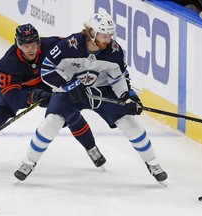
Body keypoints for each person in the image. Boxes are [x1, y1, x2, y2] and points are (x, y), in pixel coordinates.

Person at [14, 12, 168, 184]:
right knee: (52, 121)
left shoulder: (114, 52)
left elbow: (119, 78)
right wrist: (70, 85)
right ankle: (28, 162)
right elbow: (47, 71)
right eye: (104, 35)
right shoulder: (69, 46)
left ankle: (153, 163)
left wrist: (127, 97)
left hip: (102, 90)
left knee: (129, 122)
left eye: (110, 35)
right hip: (69, 89)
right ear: (92, 33)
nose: (108, 40)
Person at [0, 23, 106, 169]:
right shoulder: (8, 63)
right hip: (19, 91)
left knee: (68, 111)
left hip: (46, 83)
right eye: (26, 46)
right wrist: (32, 96)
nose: (31, 49)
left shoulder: (51, 45)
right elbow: (12, 96)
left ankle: (91, 147)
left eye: (34, 44)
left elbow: (76, 45)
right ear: (18, 45)